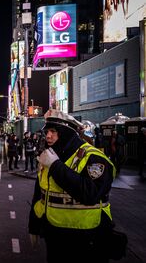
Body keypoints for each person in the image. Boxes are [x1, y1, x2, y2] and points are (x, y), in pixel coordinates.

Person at [28, 109, 116, 263]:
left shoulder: (93, 157)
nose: (48, 136)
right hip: (54, 234)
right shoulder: (51, 155)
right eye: (47, 131)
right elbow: (40, 194)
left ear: (67, 133)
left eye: (53, 131)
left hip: (87, 237)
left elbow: (90, 194)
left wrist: (55, 166)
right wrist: (34, 227)